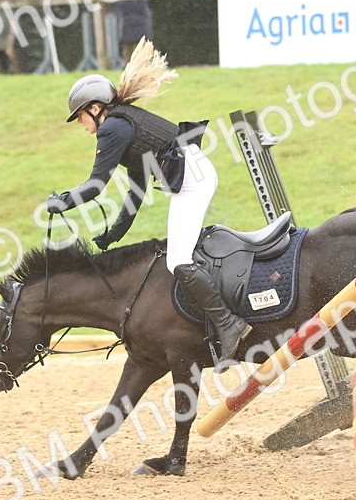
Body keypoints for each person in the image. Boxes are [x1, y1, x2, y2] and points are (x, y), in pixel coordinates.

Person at [42, 38, 250, 363]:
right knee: (180, 256)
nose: (80, 124)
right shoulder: (123, 124)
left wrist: (63, 202)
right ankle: (216, 323)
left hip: (193, 180)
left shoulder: (112, 129)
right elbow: (137, 188)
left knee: (177, 260)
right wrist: (115, 233)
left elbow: (96, 186)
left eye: (80, 116)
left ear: (95, 108)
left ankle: (229, 324)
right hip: (194, 175)